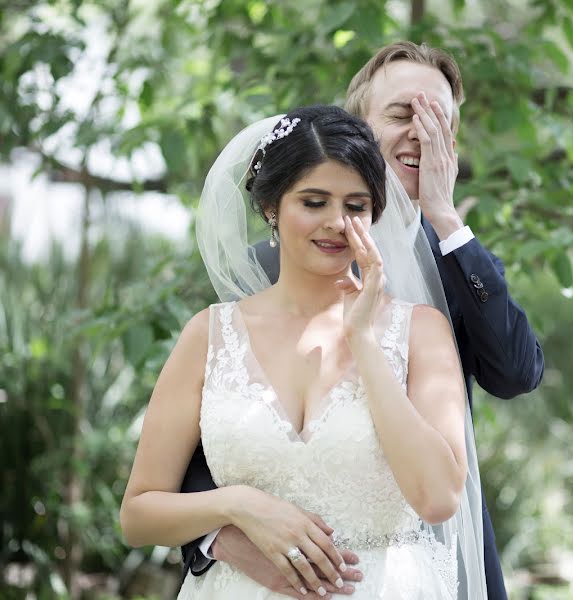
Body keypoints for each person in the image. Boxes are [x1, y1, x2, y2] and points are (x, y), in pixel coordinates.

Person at [181, 43, 544, 600]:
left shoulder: (457, 258)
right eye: (402, 115)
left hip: (426, 563)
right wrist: (218, 537)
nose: (420, 134)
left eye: (438, 122)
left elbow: (516, 373)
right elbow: (215, 422)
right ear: (355, 128)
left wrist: (444, 216)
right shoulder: (266, 264)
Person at [120, 105, 483, 598]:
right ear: (272, 207)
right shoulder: (210, 334)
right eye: (314, 202)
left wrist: (365, 342)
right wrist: (239, 505)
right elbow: (139, 516)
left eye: (355, 207)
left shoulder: (420, 332)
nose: (336, 222)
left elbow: (439, 498)